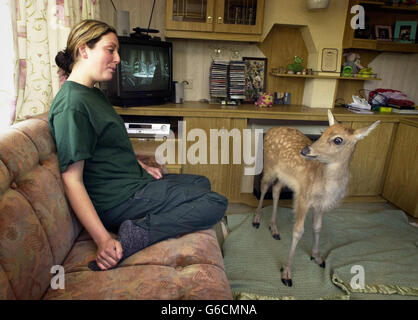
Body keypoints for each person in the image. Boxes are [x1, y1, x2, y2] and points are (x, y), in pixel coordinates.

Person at [49, 19, 227, 271]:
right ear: (83, 49)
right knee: (215, 203)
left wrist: (140, 165)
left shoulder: (94, 94)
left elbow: (110, 144)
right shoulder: (72, 104)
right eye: (110, 50)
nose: (118, 58)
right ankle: (138, 232)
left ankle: (144, 218)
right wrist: (102, 239)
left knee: (201, 183)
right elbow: (71, 179)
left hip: (132, 184)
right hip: (118, 200)